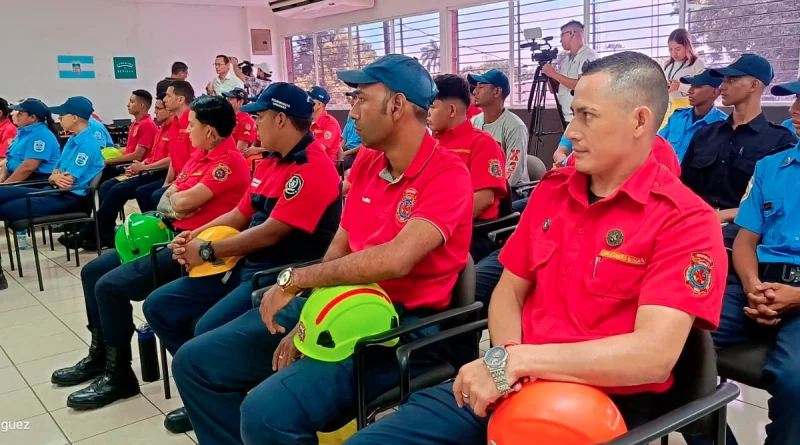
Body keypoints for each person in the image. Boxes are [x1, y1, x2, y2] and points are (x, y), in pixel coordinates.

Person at [344, 50, 728, 445]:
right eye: (573, 113)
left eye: (587, 116)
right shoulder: (553, 192)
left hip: (599, 404)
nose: (571, 132)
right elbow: (509, 289)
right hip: (515, 381)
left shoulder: (684, 220)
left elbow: (652, 356)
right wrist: (505, 360)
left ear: (639, 120)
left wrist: (519, 362)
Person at [166, 54, 472, 445]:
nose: (353, 111)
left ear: (396, 105)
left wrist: (296, 279)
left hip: (395, 327)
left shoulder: (447, 174)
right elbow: (339, 249)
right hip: (338, 305)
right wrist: (309, 314)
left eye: (360, 98)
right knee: (195, 363)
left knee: (265, 413)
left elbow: (397, 259)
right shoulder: (366, 161)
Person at [144, 83, 343, 434]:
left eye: (260, 116)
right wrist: (198, 235)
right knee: (163, 308)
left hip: (279, 274)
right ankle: (211, 396)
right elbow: (240, 214)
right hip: (245, 264)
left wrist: (207, 250)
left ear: (281, 120)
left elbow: (271, 232)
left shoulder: (313, 168)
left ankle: (218, 396)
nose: (252, 124)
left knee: (205, 331)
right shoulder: (268, 162)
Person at [51, 95, 251, 411]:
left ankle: (120, 376)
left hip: (193, 249)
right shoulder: (200, 156)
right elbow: (169, 196)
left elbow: (181, 201)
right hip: (167, 234)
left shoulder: (229, 163)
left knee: (109, 287)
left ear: (210, 130)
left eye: (192, 125)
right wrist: (180, 202)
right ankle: (101, 354)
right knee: (92, 273)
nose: (187, 130)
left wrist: (181, 202)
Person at [684, 78, 800, 445]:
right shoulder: (771, 167)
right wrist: (751, 286)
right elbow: (747, 239)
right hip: (756, 283)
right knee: (676, 349)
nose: (795, 109)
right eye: (796, 99)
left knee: (795, 378)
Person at [680, 54, 796, 247]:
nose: (722, 87)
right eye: (723, 80)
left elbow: (776, 205)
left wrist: (721, 215)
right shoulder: (704, 135)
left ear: (754, 85)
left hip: (744, 235)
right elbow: (683, 188)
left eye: (731, 80)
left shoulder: (781, 141)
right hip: (693, 224)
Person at [62, 93, 174, 250]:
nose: (155, 112)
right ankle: (104, 231)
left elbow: (161, 158)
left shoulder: (151, 126)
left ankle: (92, 231)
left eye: (159, 108)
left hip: (154, 171)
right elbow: (147, 156)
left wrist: (139, 166)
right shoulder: (157, 128)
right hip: (144, 168)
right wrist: (136, 165)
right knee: (107, 185)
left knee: (119, 186)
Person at [428, 74, 508, 261]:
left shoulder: (481, 144)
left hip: (473, 231)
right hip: (434, 226)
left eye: (432, 107)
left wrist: (437, 225)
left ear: (452, 110)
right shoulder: (431, 144)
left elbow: (483, 199)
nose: (427, 113)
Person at [0, 97, 104, 221]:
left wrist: (54, 178)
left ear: (74, 118)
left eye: (61, 116)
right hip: (53, 191)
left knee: (4, 208)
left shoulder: (87, 145)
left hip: (69, 198)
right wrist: (54, 178)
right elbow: (54, 175)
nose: (59, 120)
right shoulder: (72, 140)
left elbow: (66, 182)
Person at [135, 81, 196, 213]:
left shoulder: (193, 123)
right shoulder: (175, 123)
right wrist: (168, 182)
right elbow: (174, 158)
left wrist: (175, 184)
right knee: (143, 193)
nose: (165, 99)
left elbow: (194, 161)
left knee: (156, 195)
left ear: (180, 99)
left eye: (168, 96)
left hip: (191, 179)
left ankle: (166, 229)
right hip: (177, 177)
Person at [469, 69, 529, 194]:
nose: (475, 91)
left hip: (511, 192)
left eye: (481, 87)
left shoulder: (515, 127)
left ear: (497, 91)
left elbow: (512, 173)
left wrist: (488, 194)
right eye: (476, 87)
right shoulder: (473, 123)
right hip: (479, 189)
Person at [658, 69, 727, 162]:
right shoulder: (677, 117)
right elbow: (657, 145)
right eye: (691, 86)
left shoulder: (723, 125)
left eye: (697, 86)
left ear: (715, 92)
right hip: (666, 174)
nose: (690, 91)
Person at [541, 20, 597, 125]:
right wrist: (549, 75)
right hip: (566, 118)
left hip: (582, 120)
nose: (560, 40)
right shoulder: (566, 60)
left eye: (562, 35)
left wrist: (554, 74)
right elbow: (556, 90)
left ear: (572, 33)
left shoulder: (588, 55)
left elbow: (582, 85)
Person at [0, 99, 60, 183]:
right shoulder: (23, 132)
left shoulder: (40, 135)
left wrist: (4, 186)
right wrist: (1, 180)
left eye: (20, 113)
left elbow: (28, 168)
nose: (12, 114)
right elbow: (9, 159)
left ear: (32, 118)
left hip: (34, 181)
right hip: (17, 178)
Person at [662, 29, 706, 124]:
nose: (674, 53)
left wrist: (680, 87)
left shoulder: (697, 63)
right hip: (668, 107)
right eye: (670, 49)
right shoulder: (668, 65)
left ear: (687, 46)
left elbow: (704, 90)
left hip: (687, 107)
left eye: (678, 49)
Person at [308, 86, 343, 163]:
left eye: (309, 100)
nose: (305, 102)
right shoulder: (307, 120)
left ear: (319, 105)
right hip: (311, 162)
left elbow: (318, 149)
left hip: (324, 165)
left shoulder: (330, 123)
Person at [221, 88, 257, 153]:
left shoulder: (246, 121)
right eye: (227, 99)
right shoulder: (227, 117)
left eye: (230, 99)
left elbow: (240, 151)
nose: (227, 101)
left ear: (240, 101)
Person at [341, 91, 363, 171]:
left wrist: (346, 153)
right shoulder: (350, 117)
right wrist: (338, 151)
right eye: (350, 98)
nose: (351, 101)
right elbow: (344, 139)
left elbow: (365, 145)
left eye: (354, 98)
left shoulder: (366, 119)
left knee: (340, 165)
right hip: (346, 149)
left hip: (356, 152)